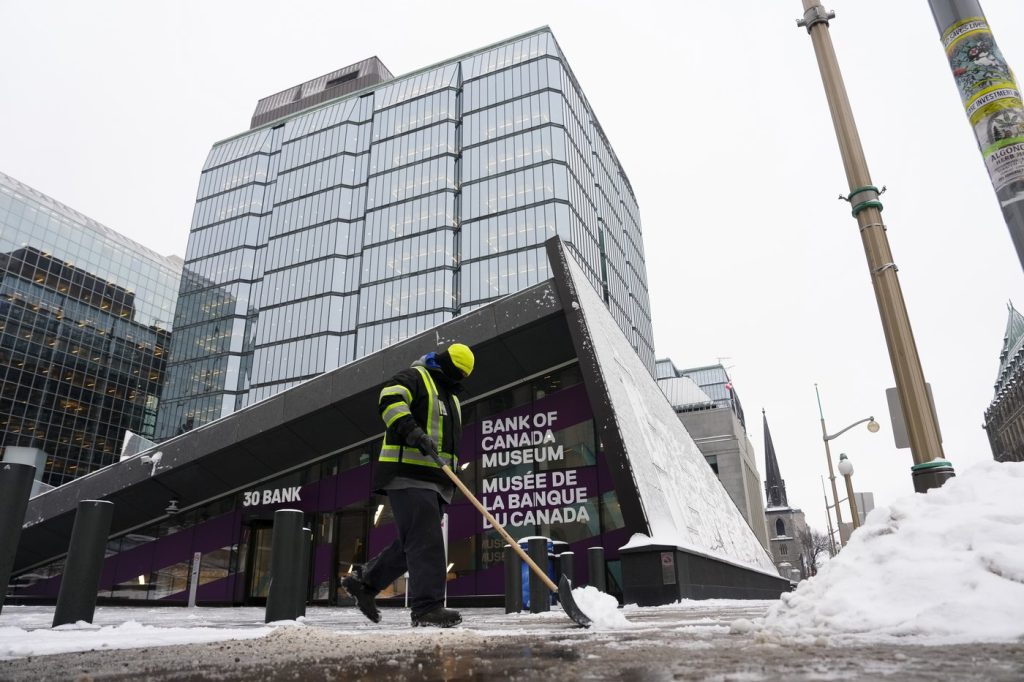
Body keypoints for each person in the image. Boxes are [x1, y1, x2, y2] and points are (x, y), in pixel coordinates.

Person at [341, 342, 474, 628]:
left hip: (436, 482)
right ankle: (427, 608)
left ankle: (364, 582)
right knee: (427, 541)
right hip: (409, 473)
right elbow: (389, 399)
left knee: (411, 543)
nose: (460, 379)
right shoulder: (416, 377)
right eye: (458, 373)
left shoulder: (451, 396)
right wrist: (412, 431)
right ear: (446, 366)